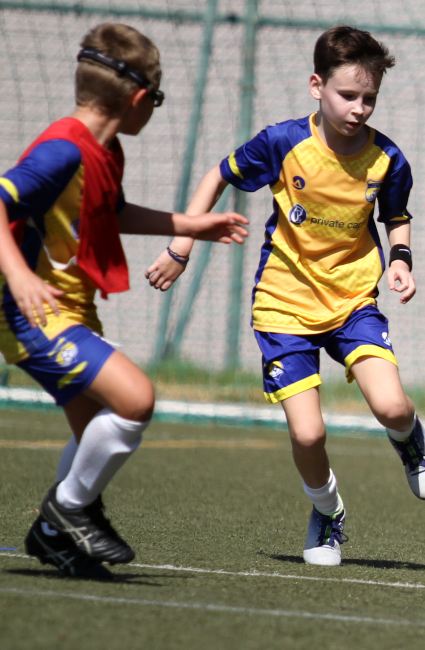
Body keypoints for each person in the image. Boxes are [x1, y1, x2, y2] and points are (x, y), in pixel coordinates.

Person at [145, 26, 425, 566]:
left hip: (352, 299)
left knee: (392, 404)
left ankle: (409, 440)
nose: (358, 108)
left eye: (369, 98)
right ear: (316, 86)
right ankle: (327, 513)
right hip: (282, 303)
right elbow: (217, 176)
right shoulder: (283, 143)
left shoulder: (387, 159)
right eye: (347, 95)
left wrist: (401, 261)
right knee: (309, 434)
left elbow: (396, 218)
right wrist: (180, 246)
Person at [0, 23, 249, 579]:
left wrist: (189, 224)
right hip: (27, 313)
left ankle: (53, 535)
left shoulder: (104, 150)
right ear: (139, 100)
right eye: (156, 100)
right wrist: (17, 273)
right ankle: (66, 511)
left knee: (96, 431)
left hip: (68, 310)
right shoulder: (63, 150)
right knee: (136, 399)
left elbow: (111, 212)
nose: (154, 109)